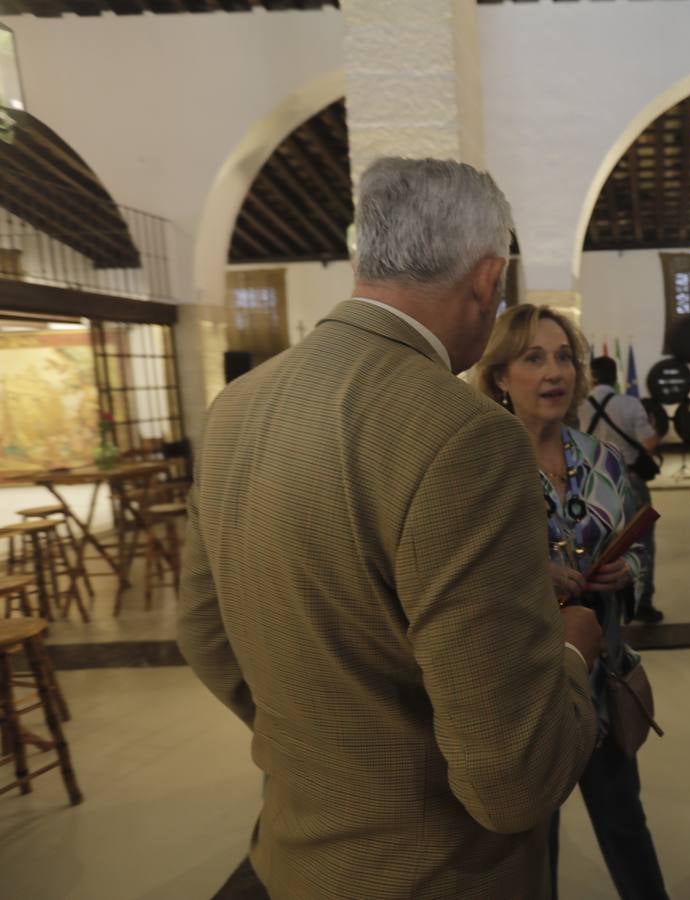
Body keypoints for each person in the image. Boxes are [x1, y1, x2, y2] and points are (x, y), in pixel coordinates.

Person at [178, 159, 602, 899]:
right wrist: (570, 650)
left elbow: (202, 630)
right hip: (431, 870)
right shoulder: (466, 434)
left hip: (291, 852)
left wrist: (324, 738)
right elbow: (510, 779)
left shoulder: (237, 407)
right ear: (487, 280)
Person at [477, 305, 669, 900]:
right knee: (537, 848)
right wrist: (535, 579)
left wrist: (625, 572)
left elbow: (640, 544)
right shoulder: (479, 465)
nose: (554, 371)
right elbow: (465, 579)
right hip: (527, 698)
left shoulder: (601, 458)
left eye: (563, 357)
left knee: (626, 827)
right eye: (534, 358)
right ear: (501, 376)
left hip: (603, 686)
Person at [585, 355, 664, 624]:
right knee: (641, 544)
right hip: (629, 479)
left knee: (597, 545)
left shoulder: (579, 405)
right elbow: (650, 443)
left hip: (591, 481)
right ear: (615, 377)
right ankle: (642, 604)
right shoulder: (630, 403)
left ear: (592, 377)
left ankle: (601, 609)